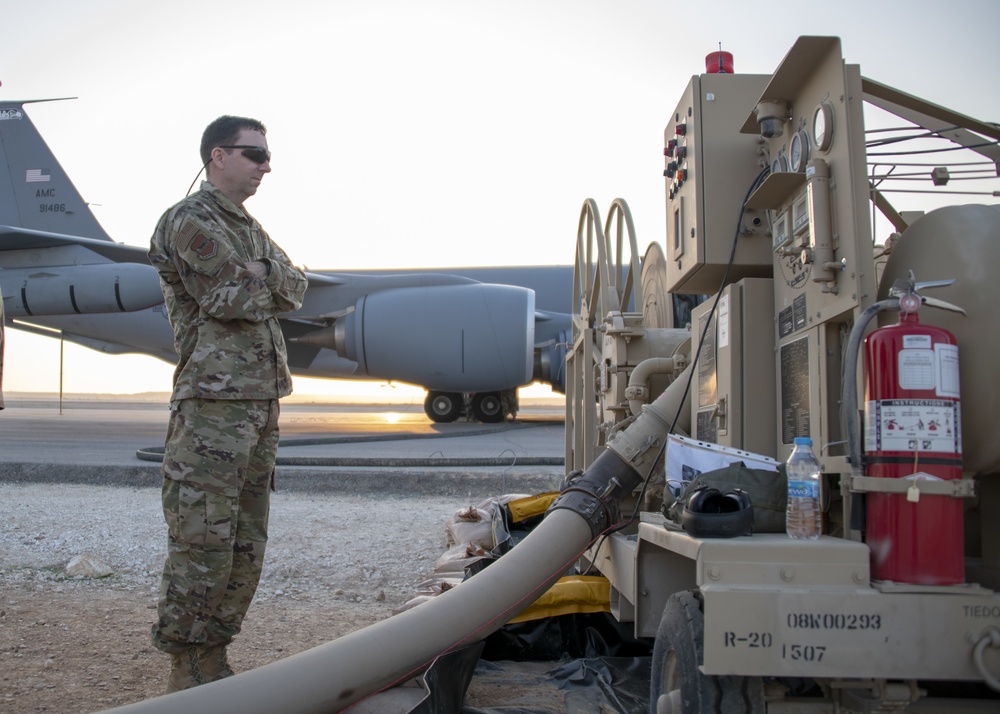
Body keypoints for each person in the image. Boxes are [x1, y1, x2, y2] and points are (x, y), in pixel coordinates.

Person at [147, 115, 308, 693]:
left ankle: (215, 655)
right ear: (218, 156)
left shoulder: (248, 228)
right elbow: (229, 296)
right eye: (255, 154)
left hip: (260, 401)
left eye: (266, 156)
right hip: (212, 404)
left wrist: (264, 270)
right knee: (203, 537)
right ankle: (186, 664)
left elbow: (297, 285)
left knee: (245, 538)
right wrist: (264, 277)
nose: (267, 166)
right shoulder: (188, 221)